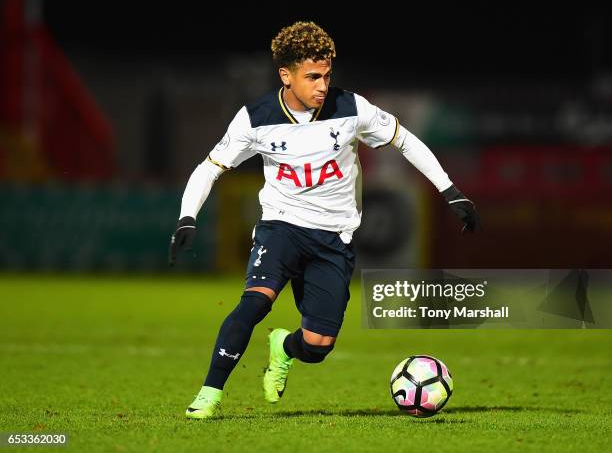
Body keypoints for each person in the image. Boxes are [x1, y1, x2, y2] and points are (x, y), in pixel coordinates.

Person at [169, 21, 481, 419]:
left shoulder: (351, 108)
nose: (322, 85)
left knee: (317, 346)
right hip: (281, 227)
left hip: (333, 239)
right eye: (312, 76)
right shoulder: (255, 119)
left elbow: (405, 140)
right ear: (286, 75)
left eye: (327, 75)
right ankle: (209, 395)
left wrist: (449, 190)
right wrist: (187, 216)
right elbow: (209, 168)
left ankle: (283, 347)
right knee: (254, 303)